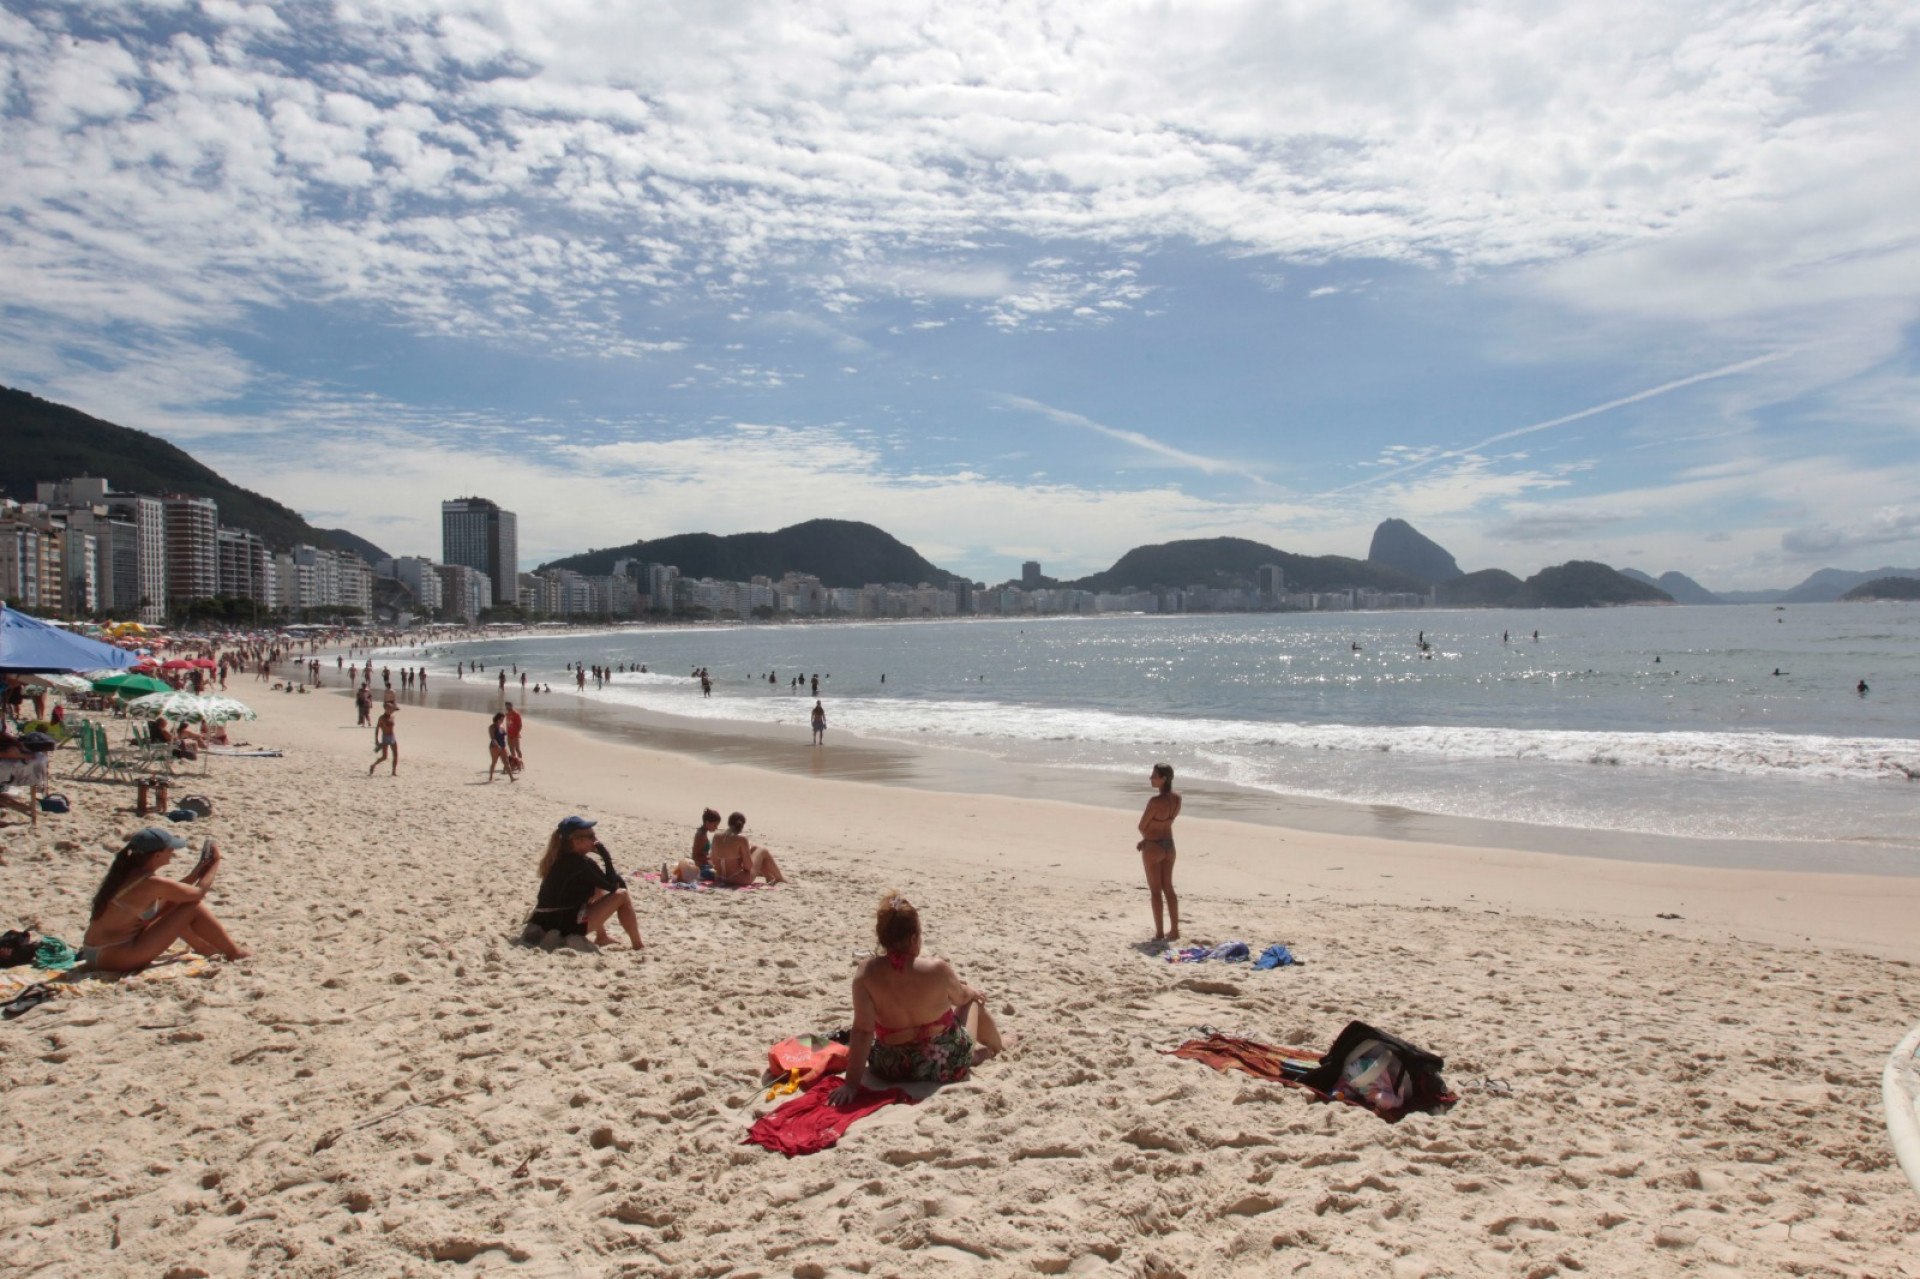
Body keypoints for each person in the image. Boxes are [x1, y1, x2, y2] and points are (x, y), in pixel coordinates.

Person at [830, 891, 1005, 1102]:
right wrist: (970, 991)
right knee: (973, 1001)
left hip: (890, 1066)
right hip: (944, 1063)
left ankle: (985, 1052)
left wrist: (850, 1085)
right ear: (914, 937)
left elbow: (863, 1031)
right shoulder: (936, 969)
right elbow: (960, 997)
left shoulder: (865, 974)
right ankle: (997, 1047)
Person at [80, 828, 249, 970]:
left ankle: (204, 948)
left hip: (97, 953)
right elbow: (197, 893)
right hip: (115, 956)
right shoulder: (151, 882)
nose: (173, 852)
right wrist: (216, 863)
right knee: (192, 907)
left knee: (176, 905)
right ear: (157, 856)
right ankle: (234, 952)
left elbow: (172, 895)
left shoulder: (127, 874)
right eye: (170, 849)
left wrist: (197, 872)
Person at [525, 816, 643, 950]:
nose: (596, 840)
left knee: (597, 888)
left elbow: (604, 883)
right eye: (591, 836)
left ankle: (602, 937)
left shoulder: (559, 856)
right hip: (562, 923)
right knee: (622, 895)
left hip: (543, 919)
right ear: (577, 841)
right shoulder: (579, 864)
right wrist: (605, 855)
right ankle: (638, 944)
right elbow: (613, 886)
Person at [1137, 763, 1181, 942]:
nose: (1150, 778)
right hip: (1169, 845)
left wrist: (1146, 838)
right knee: (1168, 888)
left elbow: (1142, 825)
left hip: (1154, 845)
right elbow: (1167, 822)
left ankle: (1160, 932)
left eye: (1154, 775)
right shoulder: (1177, 799)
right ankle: (1175, 930)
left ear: (1163, 779)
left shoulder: (1155, 802)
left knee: (1156, 891)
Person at [709, 812, 788, 885]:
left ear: (729, 823)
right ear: (742, 825)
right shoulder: (741, 839)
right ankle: (780, 878)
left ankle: (769, 877)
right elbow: (748, 866)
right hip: (737, 878)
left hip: (719, 877)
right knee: (762, 850)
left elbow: (713, 861)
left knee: (754, 848)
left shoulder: (716, 836)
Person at [670, 808, 723, 883]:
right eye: (714, 825)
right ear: (707, 822)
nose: (716, 827)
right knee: (720, 875)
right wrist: (712, 861)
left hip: (703, 864)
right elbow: (697, 856)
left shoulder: (702, 832)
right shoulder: (701, 836)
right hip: (700, 867)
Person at [369, 706, 398, 776]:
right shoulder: (381, 718)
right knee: (384, 757)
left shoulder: (392, 717)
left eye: (392, 709)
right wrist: (376, 739)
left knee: (396, 755)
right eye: (390, 709)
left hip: (392, 737)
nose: (391, 711)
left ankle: (393, 772)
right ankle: (373, 765)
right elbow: (377, 728)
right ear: (386, 709)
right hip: (385, 737)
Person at [487, 713, 516, 782]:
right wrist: (497, 746)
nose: (502, 720)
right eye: (501, 719)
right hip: (494, 747)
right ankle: (491, 777)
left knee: (506, 762)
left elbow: (505, 735)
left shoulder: (502, 726)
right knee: (494, 762)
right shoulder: (492, 727)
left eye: (503, 719)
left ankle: (512, 778)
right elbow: (492, 738)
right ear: (497, 718)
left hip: (503, 746)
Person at [504, 701, 524, 767]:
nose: (507, 707)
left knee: (517, 749)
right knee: (511, 749)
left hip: (515, 734)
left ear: (512, 706)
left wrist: (517, 732)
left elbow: (520, 725)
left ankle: (520, 762)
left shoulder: (516, 714)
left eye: (509, 706)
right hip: (509, 734)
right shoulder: (507, 714)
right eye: (506, 706)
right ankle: (514, 763)